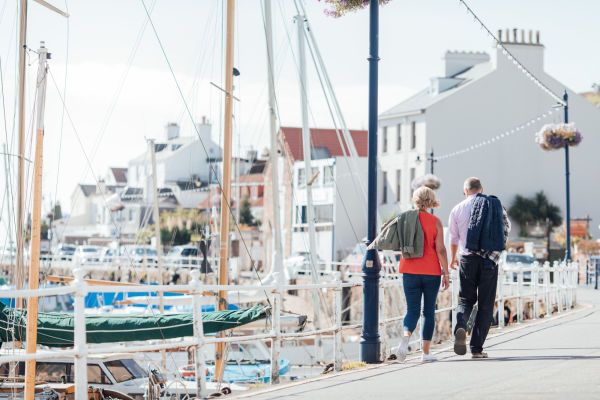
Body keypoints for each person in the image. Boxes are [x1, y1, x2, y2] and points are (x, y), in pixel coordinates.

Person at [449, 177, 510, 359]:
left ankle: (460, 326)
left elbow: (453, 239)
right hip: (488, 261)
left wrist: (453, 258)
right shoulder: (493, 205)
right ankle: (476, 349)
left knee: (466, 300)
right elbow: (507, 228)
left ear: (466, 191)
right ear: (481, 189)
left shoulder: (457, 209)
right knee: (485, 304)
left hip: (467, 259)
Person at [395, 186, 450, 363]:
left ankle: (405, 336)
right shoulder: (435, 221)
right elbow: (441, 249)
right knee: (428, 312)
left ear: (415, 199)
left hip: (409, 269)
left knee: (412, 310)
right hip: (431, 272)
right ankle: (425, 353)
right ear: (431, 200)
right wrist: (446, 273)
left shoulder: (404, 219)